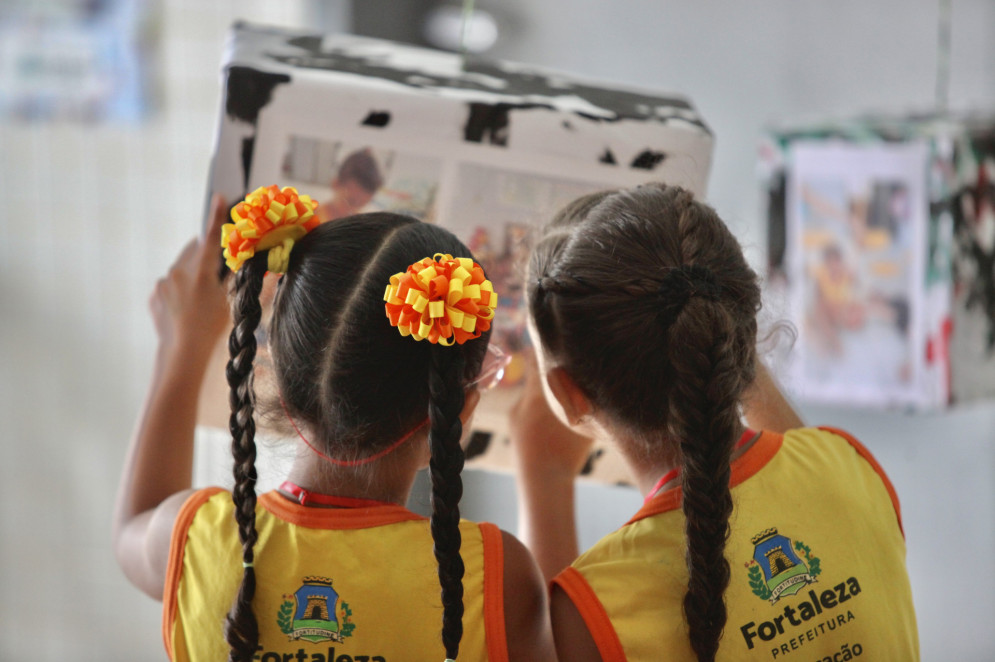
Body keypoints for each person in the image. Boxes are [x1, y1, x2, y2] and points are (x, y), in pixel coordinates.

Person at [112, 187, 554, 662]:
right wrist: (549, 473)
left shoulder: (197, 539)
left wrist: (180, 348)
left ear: (274, 374)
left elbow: (131, 530)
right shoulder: (493, 577)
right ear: (458, 415)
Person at [511, 183, 919, 661]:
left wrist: (545, 474)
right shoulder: (848, 466)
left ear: (567, 392)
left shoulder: (594, 607)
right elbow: (793, 452)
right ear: (739, 324)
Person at [317, 148, 384, 221]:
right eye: (351, 202)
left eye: (361, 205)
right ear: (335, 184)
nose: (353, 212)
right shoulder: (309, 221)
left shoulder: (358, 225)